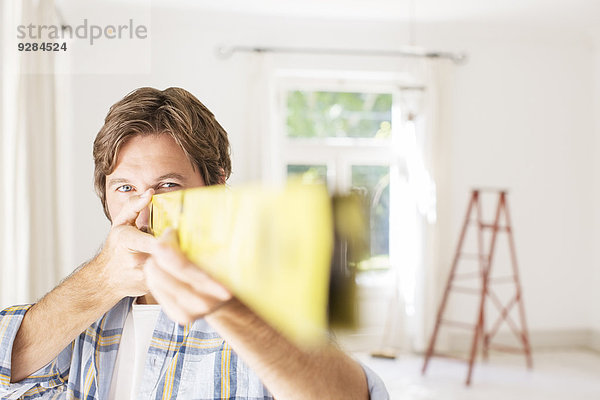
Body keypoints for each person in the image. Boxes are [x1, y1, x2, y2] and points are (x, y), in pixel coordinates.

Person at [0, 87, 389, 399]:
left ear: (216, 186)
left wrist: (229, 307)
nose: (144, 209)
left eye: (168, 185)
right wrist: (102, 281)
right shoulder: (80, 309)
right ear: (104, 196)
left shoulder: (264, 301)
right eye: (125, 188)